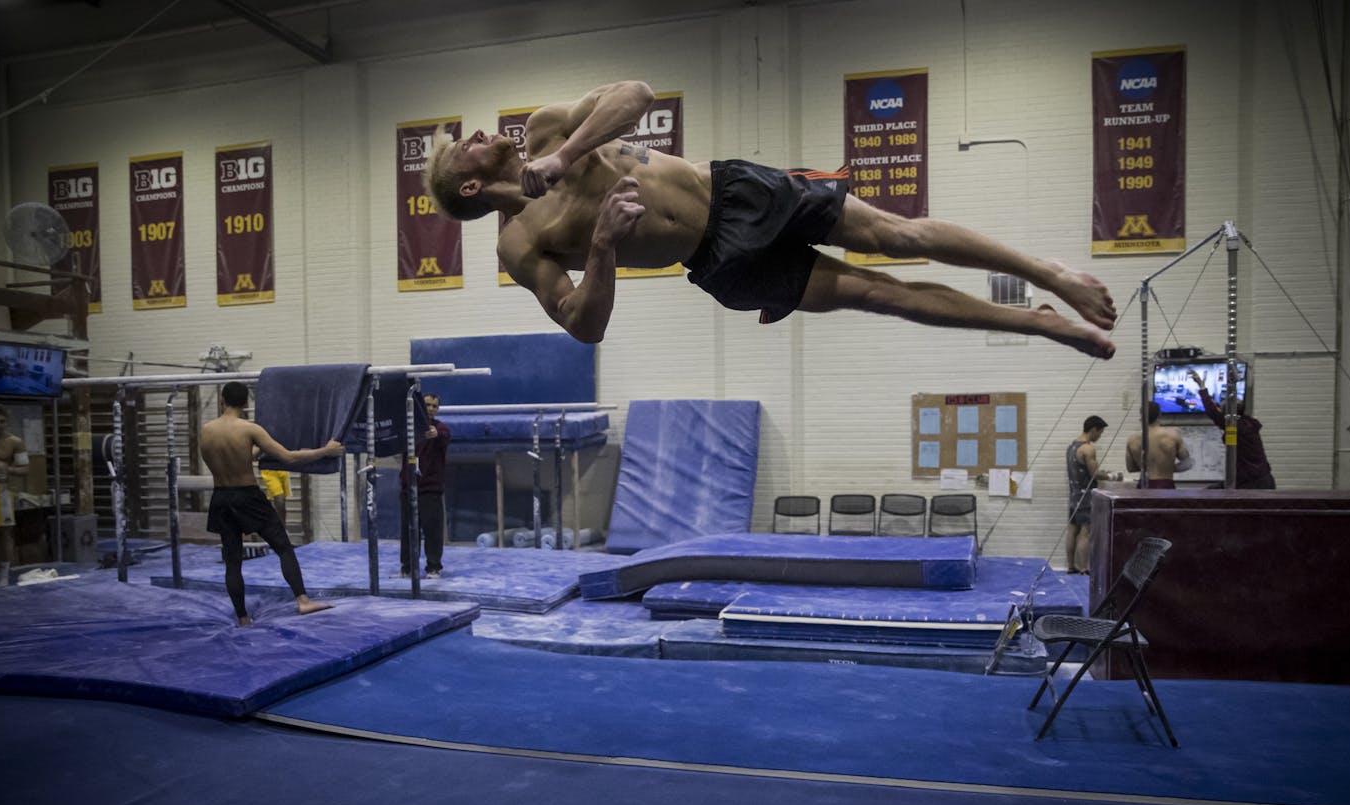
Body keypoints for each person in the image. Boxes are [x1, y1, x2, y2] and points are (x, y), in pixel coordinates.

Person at [423, 80, 1117, 358]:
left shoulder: (547, 130)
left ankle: (1047, 272)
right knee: (882, 296)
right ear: (475, 183)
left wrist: (573, 152)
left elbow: (634, 94)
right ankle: (1039, 323)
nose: (484, 132)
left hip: (737, 192)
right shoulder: (520, 246)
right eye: (471, 145)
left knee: (897, 236)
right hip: (721, 263)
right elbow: (584, 323)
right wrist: (601, 244)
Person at [198, 381, 342, 626]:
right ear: (246, 403)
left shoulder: (206, 430)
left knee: (232, 559)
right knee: (283, 547)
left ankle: (242, 617)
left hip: (221, 496)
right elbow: (288, 457)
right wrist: (325, 451)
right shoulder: (249, 429)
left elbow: (227, 458)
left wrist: (253, 453)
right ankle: (303, 601)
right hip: (248, 495)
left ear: (222, 400)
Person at [1187, 368, 1275, 488]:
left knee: (1209, 492)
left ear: (1227, 415)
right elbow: (1216, 409)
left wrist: (1202, 386)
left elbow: (1212, 411)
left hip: (1250, 482)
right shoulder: (1249, 423)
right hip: (1264, 478)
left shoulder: (1233, 425)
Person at [399, 392, 451, 580]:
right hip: (408, 488)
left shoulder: (441, 428)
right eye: (428, 405)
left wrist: (436, 434)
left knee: (432, 530)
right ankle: (407, 567)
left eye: (434, 406)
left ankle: (433, 567)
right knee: (407, 530)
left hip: (430, 489)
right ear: (421, 406)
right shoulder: (409, 428)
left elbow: (444, 435)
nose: (431, 409)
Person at [1065, 415, 1123, 574]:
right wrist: (1114, 476)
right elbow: (1095, 474)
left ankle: (1071, 566)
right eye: (1100, 433)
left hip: (1074, 495)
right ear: (1093, 430)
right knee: (1086, 531)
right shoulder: (1088, 449)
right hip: (1086, 497)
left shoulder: (1071, 447)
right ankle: (1084, 568)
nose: (1100, 436)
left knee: (1072, 530)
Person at [0, 405, 29, 587]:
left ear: (6, 422)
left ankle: (4, 575)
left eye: (2, 421)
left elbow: (25, 468)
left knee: (5, 532)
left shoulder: (15, 442)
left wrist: (7, 469)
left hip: (1, 490)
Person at [1125, 402, 1193, 488]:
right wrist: (1168, 467)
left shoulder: (1132, 440)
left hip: (1143, 486)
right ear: (1159, 415)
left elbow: (1130, 468)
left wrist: (1148, 466)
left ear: (1141, 416)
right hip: (1165, 485)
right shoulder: (1173, 436)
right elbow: (1187, 464)